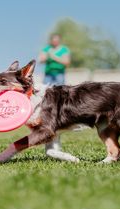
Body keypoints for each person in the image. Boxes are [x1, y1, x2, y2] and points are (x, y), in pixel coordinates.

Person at [38, 34, 79, 162]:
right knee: (46, 96)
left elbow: (66, 62)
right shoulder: (46, 49)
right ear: (51, 41)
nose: (54, 41)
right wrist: (46, 55)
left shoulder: (64, 50)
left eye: (56, 40)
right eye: (53, 40)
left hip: (59, 74)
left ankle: (61, 111)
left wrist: (54, 56)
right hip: (48, 75)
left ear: (59, 40)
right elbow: (41, 60)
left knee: (62, 96)